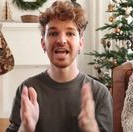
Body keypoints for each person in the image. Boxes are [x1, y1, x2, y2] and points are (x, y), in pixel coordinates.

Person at [6, 1, 113, 132]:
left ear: (81, 43)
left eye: (70, 33)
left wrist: (91, 129)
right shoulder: (27, 91)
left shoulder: (100, 94)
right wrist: (26, 128)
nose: (61, 40)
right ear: (43, 44)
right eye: (53, 33)